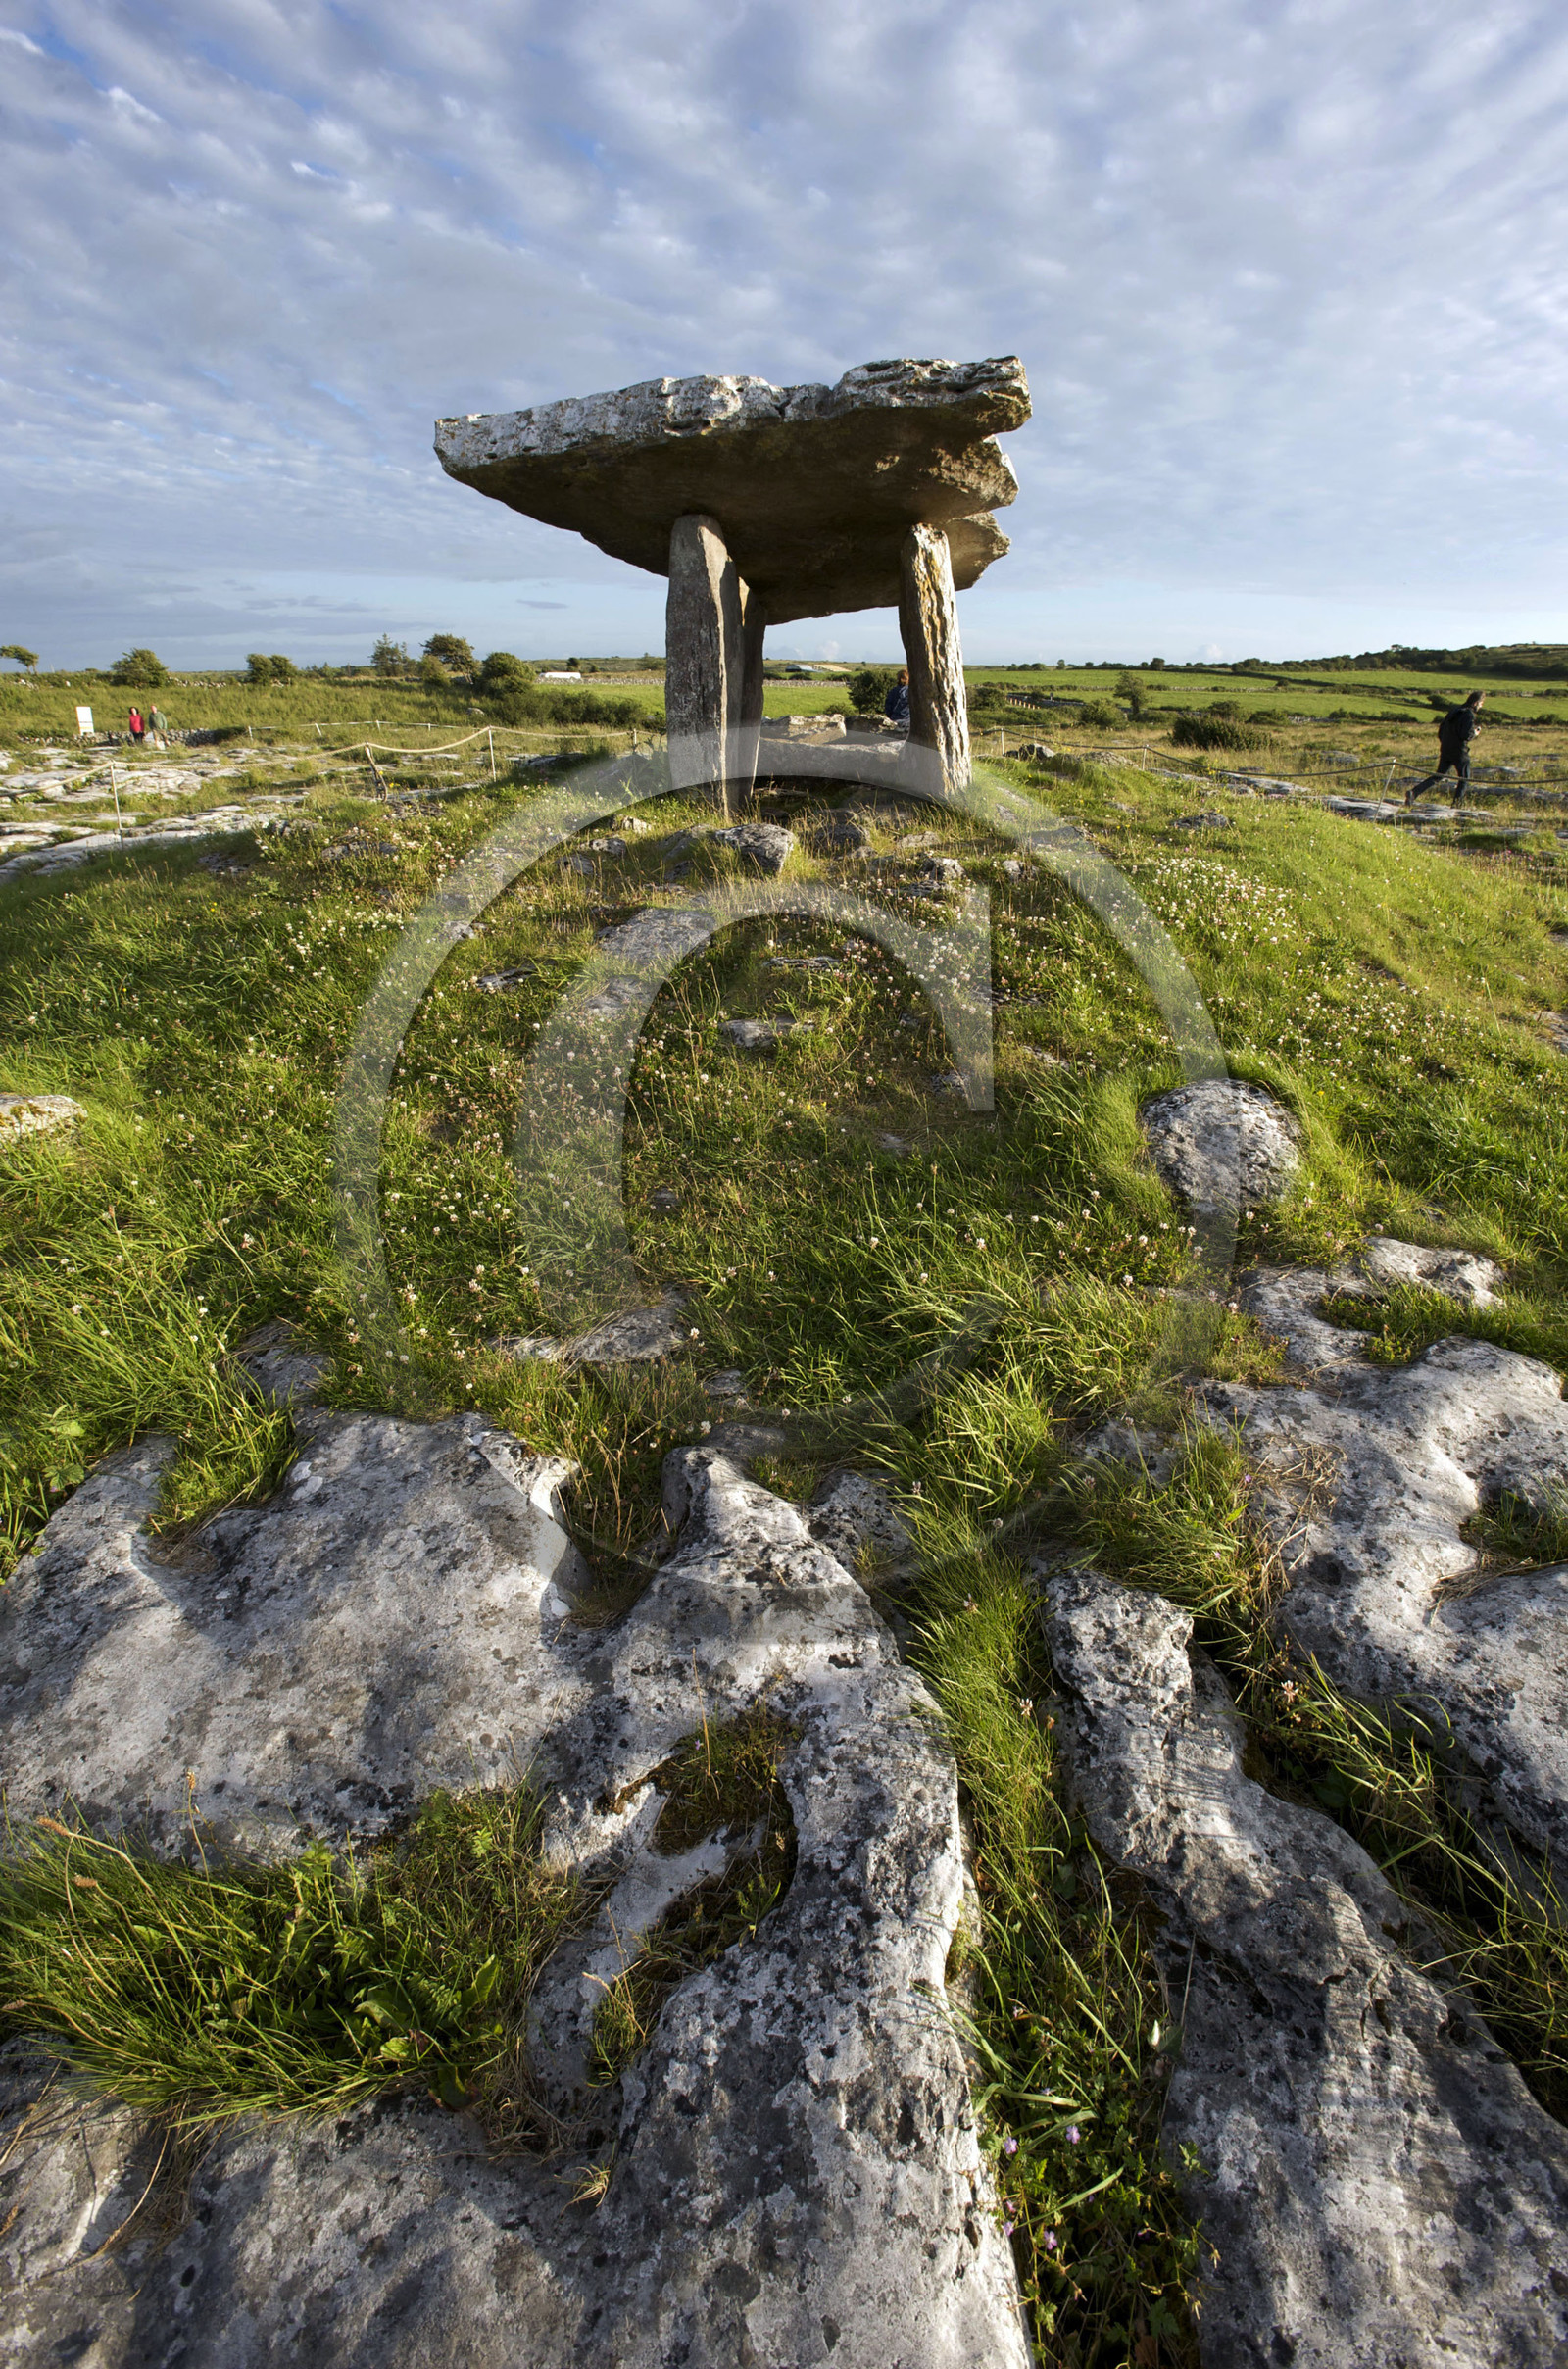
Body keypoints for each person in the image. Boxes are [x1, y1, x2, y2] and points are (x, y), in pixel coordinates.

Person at [1405, 690, 1484, 803]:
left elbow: (1441, 730)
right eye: (1481, 704)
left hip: (1446, 748)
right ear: (1475, 703)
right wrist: (1475, 733)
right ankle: (1457, 805)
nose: (1480, 707)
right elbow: (1465, 735)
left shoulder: (1454, 711)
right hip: (1459, 751)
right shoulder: (1468, 714)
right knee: (1464, 779)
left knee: (1438, 776)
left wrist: (1445, 743)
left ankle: (1414, 792)